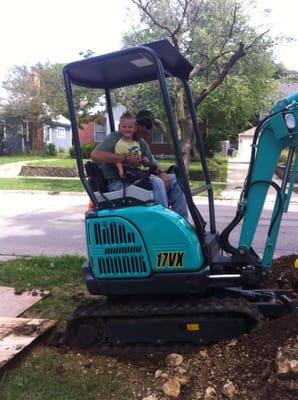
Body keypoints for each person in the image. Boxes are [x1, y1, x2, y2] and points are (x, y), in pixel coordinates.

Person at [91, 110, 188, 219]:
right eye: (142, 129)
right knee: (156, 182)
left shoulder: (141, 143)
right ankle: (164, 220)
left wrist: (162, 173)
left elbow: (152, 163)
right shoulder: (115, 138)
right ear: (137, 125)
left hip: (135, 179)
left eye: (148, 130)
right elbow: (95, 155)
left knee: (175, 179)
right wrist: (124, 158)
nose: (145, 133)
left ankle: (182, 221)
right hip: (119, 183)